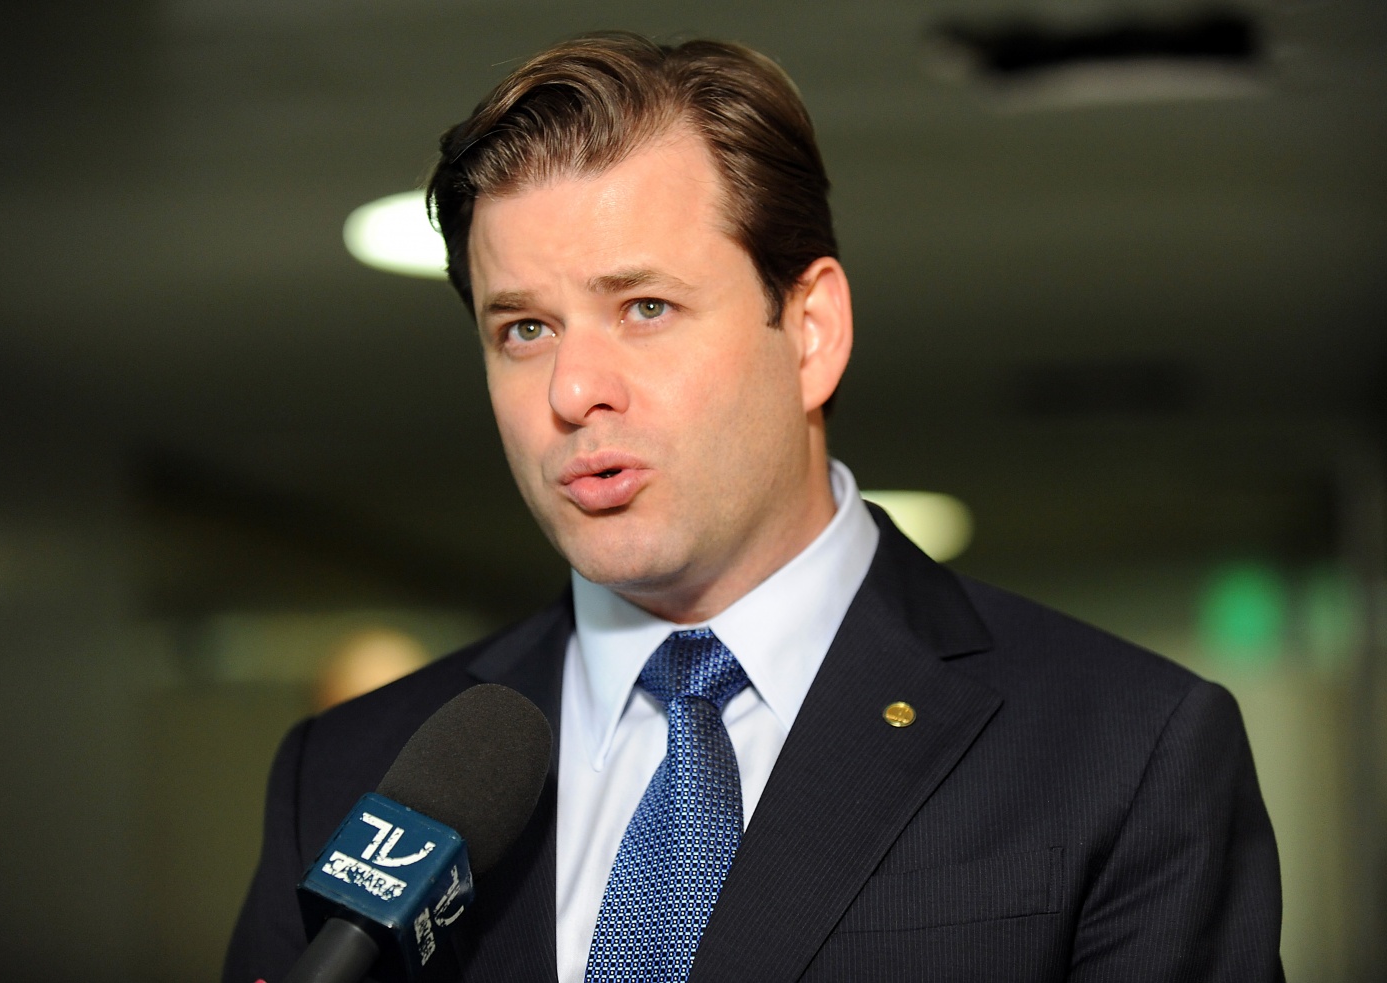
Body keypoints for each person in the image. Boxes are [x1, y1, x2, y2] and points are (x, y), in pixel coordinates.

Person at [224, 32, 1283, 983]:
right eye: (524, 330)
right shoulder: (353, 776)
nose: (572, 390)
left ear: (811, 330)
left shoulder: (1122, 751)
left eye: (645, 306)